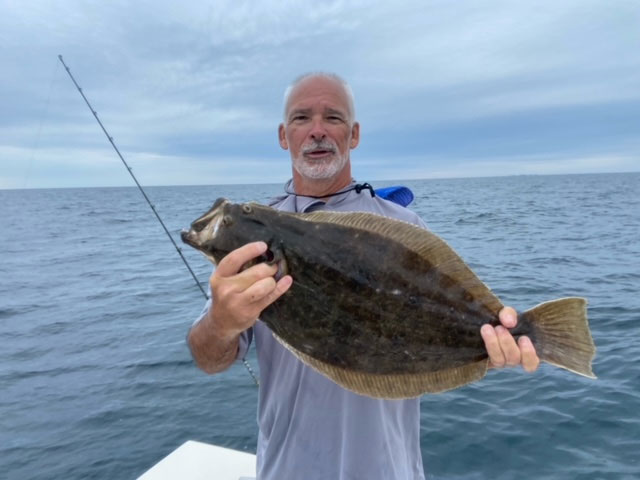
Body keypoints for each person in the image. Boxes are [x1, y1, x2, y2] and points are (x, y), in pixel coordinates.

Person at [187, 73, 540, 480]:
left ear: (353, 134)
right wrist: (220, 321)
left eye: (332, 118)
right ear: (284, 136)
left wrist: (497, 348)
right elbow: (209, 357)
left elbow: (444, 330)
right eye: (302, 118)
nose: (317, 131)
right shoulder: (251, 248)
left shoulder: (404, 226)